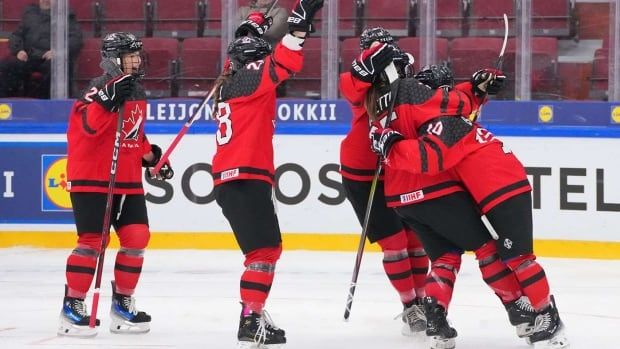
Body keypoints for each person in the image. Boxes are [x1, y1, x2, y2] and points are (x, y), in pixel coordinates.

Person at [366, 59, 569, 348]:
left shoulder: (433, 120)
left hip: (494, 190)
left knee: (509, 257)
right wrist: (477, 88)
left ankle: (546, 317)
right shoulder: (440, 118)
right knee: (496, 252)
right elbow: (443, 119)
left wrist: (389, 145)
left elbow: (431, 154)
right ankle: (521, 311)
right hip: (478, 191)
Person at [210, 0, 324, 347]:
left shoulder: (229, 83)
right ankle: (250, 321)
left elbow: (241, 49)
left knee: (265, 251)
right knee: (263, 253)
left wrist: (255, 22)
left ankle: (253, 315)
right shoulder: (250, 81)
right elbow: (285, 61)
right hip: (246, 178)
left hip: (233, 179)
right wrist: (298, 30)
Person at [58, 32, 173, 337]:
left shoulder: (136, 90)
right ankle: (72, 307)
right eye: (130, 55)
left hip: (127, 177)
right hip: (92, 177)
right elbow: (88, 128)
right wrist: (106, 101)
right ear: (112, 58)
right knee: (92, 243)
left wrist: (151, 158)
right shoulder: (97, 88)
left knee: (137, 237)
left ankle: (122, 304)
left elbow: (133, 132)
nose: (136, 60)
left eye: (137, 54)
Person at [339, 27, 429, 337]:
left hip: (398, 166)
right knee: (394, 242)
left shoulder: (405, 74)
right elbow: (353, 87)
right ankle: (410, 307)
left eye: (386, 47)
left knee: (416, 240)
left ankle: (424, 300)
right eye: (375, 48)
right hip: (364, 172)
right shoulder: (355, 80)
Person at [0, 0, 82, 98]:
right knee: (8, 66)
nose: (46, 0)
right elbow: (16, 36)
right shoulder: (30, 14)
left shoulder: (66, 16)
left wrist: (58, 51)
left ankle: (45, 104)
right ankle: (6, 102)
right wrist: (19, 50)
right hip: (29, 56)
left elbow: (76, 40)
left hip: (52, 59)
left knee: (55, 68)